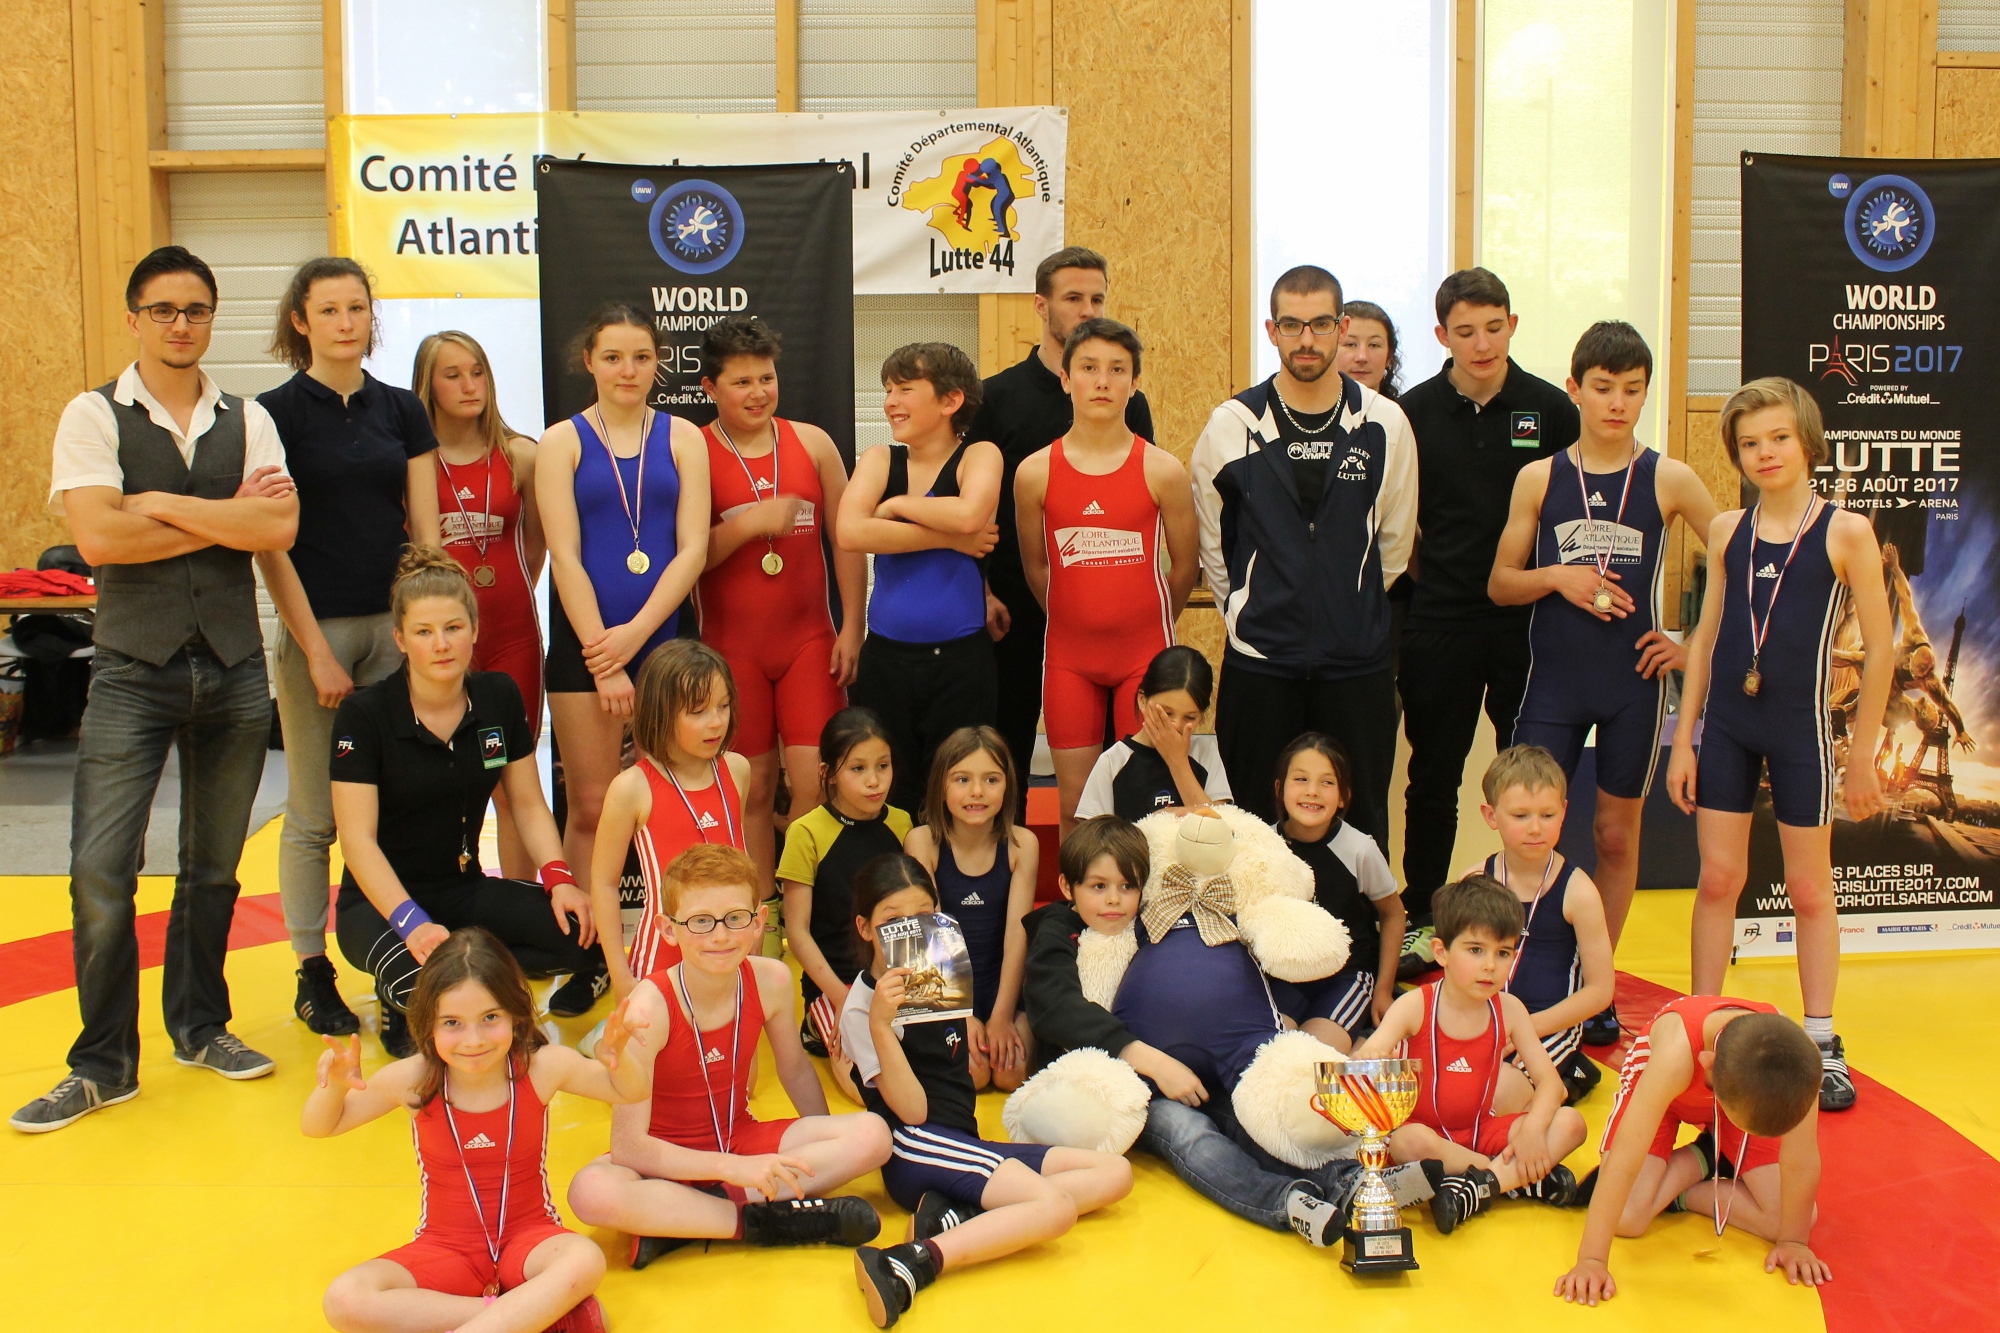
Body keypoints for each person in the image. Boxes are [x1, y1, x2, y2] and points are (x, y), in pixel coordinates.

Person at [13, 246, 298, 1133]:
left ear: (212, 318)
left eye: (196, 309)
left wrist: (158, 504)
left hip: (235, 668)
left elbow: (280, 525)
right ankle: (102, 1063)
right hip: (132, 671)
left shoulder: (248, 417)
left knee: (214, 868)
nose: (182, 324)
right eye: (165, 309)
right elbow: (99, 541)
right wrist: (224, 519)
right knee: (101, 872)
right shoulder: (91, 413)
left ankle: (200, 1027)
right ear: (135, 317)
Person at [1489, 322, 1720, 1046]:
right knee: (1525, 828)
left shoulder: (1670, 478)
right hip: (1554, 684)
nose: (1617, 403)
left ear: (1645, 394)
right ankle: (1514, 975)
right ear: (1575, 390)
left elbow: (1738, 555)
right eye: (1603, 388)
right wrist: (1558, 576)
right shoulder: (1540, 477)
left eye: (1632, 389)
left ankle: (1598, 984)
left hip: (1632, 683)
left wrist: (1689, 644)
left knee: (1616, 835)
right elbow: (1500, 584)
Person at [1667, 377, 1891, 1112]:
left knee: (1809, 888)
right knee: (1717, 879)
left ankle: (1821, 1039)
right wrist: (1684, 738)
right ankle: (1701, 1027)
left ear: (1808, 443)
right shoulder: (1728, 529)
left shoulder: (1845, 532)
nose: (1765, 453)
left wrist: (1862, 755)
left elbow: (1882, 651)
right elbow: (1706, 637)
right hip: (1729, 726)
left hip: (1799, 728)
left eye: (1778, 439)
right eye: (1750, 443)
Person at [1022, 816, 1398, 1251]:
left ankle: (1348, 1180)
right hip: (1134, 1082)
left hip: (1210, 1066)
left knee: (1245, 1120)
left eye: (1127, 886)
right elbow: (1056, 1007)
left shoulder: (1152, 918)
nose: (1113, 900)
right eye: (1098, 886)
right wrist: (1152, 1061)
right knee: (1189, 1134)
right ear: (1067, 887)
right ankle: (1285, 1201)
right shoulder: (1060, 928)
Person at [258, 256, 441, 1040]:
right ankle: (312, 971)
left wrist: (428, 631)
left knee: (393, 804)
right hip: (319, 632)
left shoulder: (401, 409)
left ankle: (400, 967)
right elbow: (269, 544)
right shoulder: (272, 415)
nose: (345, 322)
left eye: (357, 308)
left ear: (372, 317)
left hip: (394, 629)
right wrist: (314, 651)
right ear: (300, 321)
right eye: (329, 309)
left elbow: (426, 533)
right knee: (314, 814)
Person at [305, 929, 649, 1333]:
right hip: (446, 1249)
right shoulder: (413, 1080)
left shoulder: (543, 1067)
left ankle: (506, 1319)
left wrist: (617, 1058)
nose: (474, 1040)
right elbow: (319, 1126)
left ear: (515, 1013)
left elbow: (630, 1091)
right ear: (428, 1024)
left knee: (584, 1259)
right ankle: (530, 1317)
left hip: (530, 1242)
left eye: (490, 1018)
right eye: (452, 1023)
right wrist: (335, 1087)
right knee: (345, 1299)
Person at [840, 854, 1132, 1329]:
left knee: (1114, 1173)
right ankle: (911, 1260)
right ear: (866, 928)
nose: (911, 931)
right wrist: (879, 1024)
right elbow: (912, 1111)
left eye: (923, 916)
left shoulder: (940, 969)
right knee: (1054, 1208)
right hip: (915, 1146)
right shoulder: (862, 1007)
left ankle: (955, 1216)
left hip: (960, 1141)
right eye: (893, 922)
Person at [330, 549, 599, 1058]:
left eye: (453, 628)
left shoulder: (497, 695)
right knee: (433, 993)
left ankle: (470, 966)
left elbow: (527, 803)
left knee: (581, 937)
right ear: (400, 639)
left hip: (461, 890)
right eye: (424, 632)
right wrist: (411, 923)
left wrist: (560, 878)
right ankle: (410, 992)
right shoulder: (364, 715)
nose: (441, 644)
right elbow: (357, 841)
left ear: (474, 630)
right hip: (379, 906)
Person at [566, 845, 889, 1268]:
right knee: (590, 1191)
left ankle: (680, 1222)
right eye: (701, 922)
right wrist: (735, 1170)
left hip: (738, 1140)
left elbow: (795, 1070)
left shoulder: (771, 979)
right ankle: (761, 1222)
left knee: (873, 1135)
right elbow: (629, 1149)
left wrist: (820, 1156)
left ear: (758, 922)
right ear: (667, 929)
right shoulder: (649, 1007)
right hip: (662, 1161)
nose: (720, 936)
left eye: (735, 918)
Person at [1191, 265, 1416, 843]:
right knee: (1253, 831)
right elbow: (1215, 545)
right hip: (1261, 663)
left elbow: (1393, 545)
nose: (1307, 340)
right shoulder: (1232, 425)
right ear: (1272, 331)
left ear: (1341, 327)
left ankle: (1356, 913)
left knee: (1362, 829)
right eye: (1292, 325)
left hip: (1356, 662)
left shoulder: (1384, 423)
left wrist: (1348, 603)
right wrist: (1251, 610)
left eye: (1320, 324)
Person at [1396, 267, 1578, 958]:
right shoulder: (1412, 412)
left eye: (1494, 328)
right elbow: (1401, 523)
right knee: (1432, 777)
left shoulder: (1550, 409)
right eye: (1465, 331)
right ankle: (1423, 914)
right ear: (1442, 335)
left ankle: (1534, 918)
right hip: (1440, 620)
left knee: (1529, 779)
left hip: (1526, 624)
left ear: (1513, 325)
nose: (1482, 344)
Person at [965, 248, 1156, 810]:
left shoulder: (1130, 401)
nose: (1087, 309)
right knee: (1007, 744)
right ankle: (1008, 860)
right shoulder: (997, 397)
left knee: (1120, 761)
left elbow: (1141, 504)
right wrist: (982, 588)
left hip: (1103, 614)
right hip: (1014, 606)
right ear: (1041, 305)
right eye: (1074, 298)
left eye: (1097, 298)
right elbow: (971, 504)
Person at [537, 304, 710, 907]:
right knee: (590, 805)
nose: (627, 370)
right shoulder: (561, 441)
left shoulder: (684, 437)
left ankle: (685, 938)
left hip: (665, 642)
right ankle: (586, 942)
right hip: (586, 647)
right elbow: (564, 556)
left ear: (658, 362)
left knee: (676, 799)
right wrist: (605, 660)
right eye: (612, 357)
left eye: (641, 357)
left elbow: (692, 550)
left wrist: (636, 635)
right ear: (589, 362)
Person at [693, 315, 866, 896]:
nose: (758, 393)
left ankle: (807, 911)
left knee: (818, 783)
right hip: (732, 647)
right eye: (741, 382)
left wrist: (853, 625)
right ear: (710, 387)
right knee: (754, 787)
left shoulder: (812, 443)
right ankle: (761, 911)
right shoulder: (694, 452)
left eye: (766, 378)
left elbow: (846, 539)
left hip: (809, 641)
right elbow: (686, 558)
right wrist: (749, 525)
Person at [1013, 318, 1198, 836]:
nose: (1102, 381)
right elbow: (1037, 567)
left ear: (1134, 382)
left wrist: (1146, 621)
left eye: (1117, 370)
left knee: (1145, 801)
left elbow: (1185, 567)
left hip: (1143, 654)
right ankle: (1079, 893)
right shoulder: (1034, 473)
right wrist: (1078, 616)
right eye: (1089, 368)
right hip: (1070, 659)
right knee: (1075, 807)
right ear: (1065, 378)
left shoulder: (1163, 471)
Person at [1554, 1000, 1827, 1307]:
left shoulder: (1799, 1061)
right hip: (1661, 1091)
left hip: (1744, 1095)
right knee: (1626, 1218)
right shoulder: (1673, 1055)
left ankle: (1690, 1175)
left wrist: (1793, 1241)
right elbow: (1625, 1158)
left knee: (1795, 1217)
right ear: (1707, 1063)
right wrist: (1591, 1259)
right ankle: (1707, 1154)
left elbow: (1801, 1161)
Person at [1355, 874, 1587, 1233]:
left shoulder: (1510, 1009)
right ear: (1441, 952)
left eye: (1503, 952)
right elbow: (1373, 1051)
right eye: (1476, 950)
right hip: (1425, 1136)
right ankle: (1513, 1181)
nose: (1490, 965)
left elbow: (1551, 1085)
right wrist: (1368, 1059)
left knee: (1571, 1123)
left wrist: (1532, 1130)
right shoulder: (1416, 1005)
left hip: (1479, 1129)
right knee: (1408, 1142)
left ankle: (1479, 1185)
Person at [838, 343, 1003, 814]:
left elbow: (970, 514)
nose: (890, 401)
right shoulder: (879, 459)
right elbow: (850, 531)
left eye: (905, 389)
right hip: (886, 661)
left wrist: (894, 507)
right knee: (891, 793)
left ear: (951, 400)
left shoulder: (979, 454)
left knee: (957, 791)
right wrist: (949, 540)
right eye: (888, 389)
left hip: (959, 663)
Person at [413, 330, 546, 881]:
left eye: (478, 373)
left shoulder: (521, 455)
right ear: (428, 385)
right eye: (453, 375)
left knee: (515, 785)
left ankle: (518, 902)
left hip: (513, 634)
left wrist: (505, 589)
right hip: (447, 641)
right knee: (446, 781)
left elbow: (536, 547)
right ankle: (451, 900)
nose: (470, 386)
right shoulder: (415, 462)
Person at [591, 641, 751, 995]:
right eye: (698, 711)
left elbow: (740, 864)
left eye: (723, 706)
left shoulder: (737, 770)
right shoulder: (632, 788)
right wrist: (621, 976)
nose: (716, 722)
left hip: (730, 953)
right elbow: (604, 884)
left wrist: (750, 942)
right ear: (660, 713)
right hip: (663, 962)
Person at [1458, 746, 1615, 1102]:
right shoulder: (1475, 880)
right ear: (1491, 815)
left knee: (1494, 1095)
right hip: (1483, 1016)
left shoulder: (1578, 891)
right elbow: (1455, 968)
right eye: (1520, 815)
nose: (1534, 828)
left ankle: (1563, 1079)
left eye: (1547, 815)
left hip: (1548, 1025)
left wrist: (1526, 1028)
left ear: (1564, 812)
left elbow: (1600, 990)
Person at [903, 727, 1040, 1092]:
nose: (977, 792)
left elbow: (1017, 936)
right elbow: (929, 940)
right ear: (940, 787)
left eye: (991, 780)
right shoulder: (923, 841)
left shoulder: (1022, 844)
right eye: (962, 779)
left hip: (1001, 986)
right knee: (974, 1076)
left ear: (1008, 787)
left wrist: (1002, 1016)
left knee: (1010, 1074)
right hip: (941, 986)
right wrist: (958, 1014)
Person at [779, 707, 910, 1061]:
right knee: (866, 1072)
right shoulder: (805, 832)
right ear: (829, 774)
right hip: (835, 986)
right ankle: (815, 1024)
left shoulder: (902, 824)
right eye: (858, 768)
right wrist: (842, 997)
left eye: (883, 766)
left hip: (893, 982)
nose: (874, 781)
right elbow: (798, 933)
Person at [1270, 733, 1405, 1052]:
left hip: (1346, 977)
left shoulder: (1360, 849)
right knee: (1270, 1050)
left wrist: (1383, 990)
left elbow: (1393, 915)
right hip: (1284, 977)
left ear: (1343, 797)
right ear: (1280, 788)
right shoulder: (1264, 845)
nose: (1312, 791)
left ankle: (1362, 1044)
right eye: (1301, 779)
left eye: (1327, 782)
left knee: (1311, 1056)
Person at [1073, 645, 1233, 822]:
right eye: (1167, 713)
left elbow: (1220, 828)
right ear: (1142, 700)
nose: (1176, 725)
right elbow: (1094, 835)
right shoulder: (1113, 761)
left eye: (1190, 717)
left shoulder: (1205, 753)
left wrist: (1178, 762)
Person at [1332, 300, 1403, 400]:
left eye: (1374, 345)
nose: (1362, 357)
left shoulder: (1399, 410)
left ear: (1389, 357)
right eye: (1351, 344)